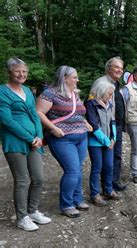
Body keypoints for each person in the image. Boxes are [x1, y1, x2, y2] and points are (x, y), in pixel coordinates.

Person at [0, 58, 51, 231]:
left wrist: (39, 135)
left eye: (24, 71)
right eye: (17, 71)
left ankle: (33, 211)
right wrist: (30, 137)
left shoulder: (28, 91)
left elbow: (35, 115)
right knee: (22, 181)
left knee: (38, 178)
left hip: (34, 141)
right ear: (9, 72)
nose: (21, 74)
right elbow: (7, 120)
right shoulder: (2, 92)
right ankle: (22, 218)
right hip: (15, 142)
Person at [36, 66, 93, 218]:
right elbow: (39, 112)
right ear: (65, 78)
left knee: (78, 169)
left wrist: (85, 122)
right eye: (74, 77)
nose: (77, 80)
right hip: (62, 138)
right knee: (72, 170)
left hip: (81, 137)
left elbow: (78, 112)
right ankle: (67, 205)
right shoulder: (50, 93)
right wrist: (53, 128)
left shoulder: (74, 93)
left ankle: (77, 199)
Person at [93, 57, 127, 191]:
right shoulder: (101, 83)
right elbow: (93, 104)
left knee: (117, 154)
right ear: (108, 68)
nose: (119, 70)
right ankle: (105, 185)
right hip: (105, 125)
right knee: (106, 155)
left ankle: (114, 181)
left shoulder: (117, 83)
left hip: (116, 124)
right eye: (116, 67)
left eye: (121, 68)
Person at [85, 80, 120, 206]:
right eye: (109, 94)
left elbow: (113, 122)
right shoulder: (91, 104)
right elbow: (94, 125)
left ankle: (108, 189)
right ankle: (95, 194)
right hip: (95, 143)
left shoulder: (109, 104)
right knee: (97, 167)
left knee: (109, 167)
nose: (110, 97)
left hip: (108, 142)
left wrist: (113, 138)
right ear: (102, 92)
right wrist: (106, 141)